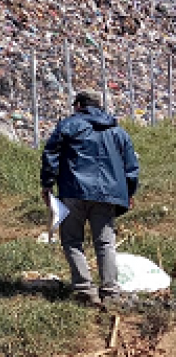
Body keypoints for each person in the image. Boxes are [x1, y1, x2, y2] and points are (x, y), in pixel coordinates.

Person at [41, 90, 139, 306]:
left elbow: (51, 154)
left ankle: (85, 290)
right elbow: (131, 167)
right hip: (107, 194)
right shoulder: (118, 131)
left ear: (79, 106)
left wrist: (47, 184)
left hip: (73, 190)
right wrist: (129, 193)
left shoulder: (68, 126)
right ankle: (111, 292)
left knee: (72, 241)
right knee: (105, 243)